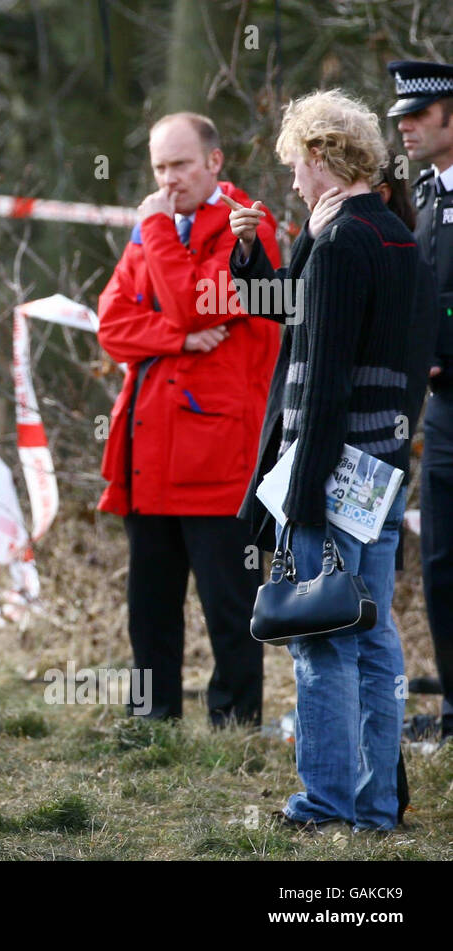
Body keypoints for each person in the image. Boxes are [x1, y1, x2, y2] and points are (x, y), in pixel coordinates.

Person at [231, 89, 418, 832]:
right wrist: (256, 253)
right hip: (380, 463)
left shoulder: (342, 245)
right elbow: (288, 304)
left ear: (317, 157)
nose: (293, 182)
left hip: (333, 467)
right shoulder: (391, 233)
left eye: (295, 166)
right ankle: (376, 806)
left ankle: (323, 802)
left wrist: (302, 494)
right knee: (371, 634)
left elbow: (327, 371)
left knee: (319, 638)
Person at [96, 112, 281, 727]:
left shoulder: (249, 228)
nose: (168, 180)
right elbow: (113, 325)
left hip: (217, 454)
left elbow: (193, 301)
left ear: (214, 162)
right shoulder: (154, 231)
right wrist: (177, 340)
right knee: (149, 602)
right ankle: (154, 716)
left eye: (179, 165)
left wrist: (152, 228)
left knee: (229, 601)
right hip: (147, 450)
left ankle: (236, 722)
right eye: (159, 168)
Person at [389, 60, 453, 744]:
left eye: (417, 115)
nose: (404, 126)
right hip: (439, 407)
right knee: (439, 561)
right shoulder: (425, 193)